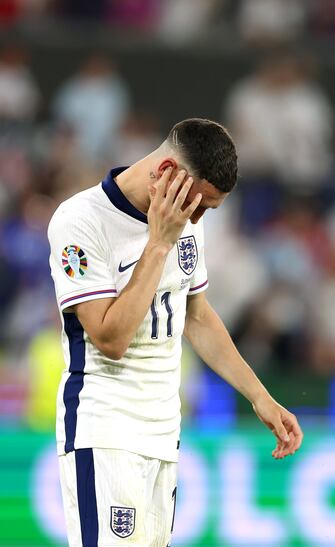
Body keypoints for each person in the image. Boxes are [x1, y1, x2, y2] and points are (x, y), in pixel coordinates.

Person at [47, 118, 303, 546]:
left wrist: (260, 396)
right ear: (166, 173)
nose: (199, 217)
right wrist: (158, 243)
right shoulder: (80, 221)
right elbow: (110, 340)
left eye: (209, 209)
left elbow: (197, 315)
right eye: (200, 204)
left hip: (164, 430)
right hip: (104, 425)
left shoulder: (187, 221)